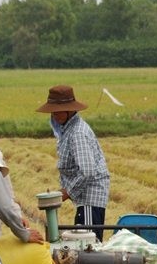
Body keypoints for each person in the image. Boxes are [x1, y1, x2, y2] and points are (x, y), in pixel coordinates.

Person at [39, 85, 110, 241]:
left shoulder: (77, 133)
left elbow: (88, 172)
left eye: (58, 111)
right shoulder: (68, 129)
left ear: (70, 110)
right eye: (53, 111)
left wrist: (66, 192)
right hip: (83, 199)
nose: (55, 115)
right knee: (82, 243)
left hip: (90, 198)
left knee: (88, 245)